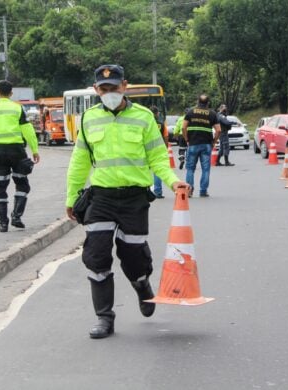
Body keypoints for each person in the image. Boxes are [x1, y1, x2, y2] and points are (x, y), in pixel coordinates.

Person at [65, 64, 188, 339]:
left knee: (133, 256)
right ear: (96, 90)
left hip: (134, 198)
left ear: (125, 86)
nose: (109, 92)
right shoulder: (88, 118)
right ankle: (104, 318)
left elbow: (158, 157)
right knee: (96, 256)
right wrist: (72, 196)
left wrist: (172, 181)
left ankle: (141, 284)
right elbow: (80, 161)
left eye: (114, 87)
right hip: (102, 197)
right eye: (103, 88)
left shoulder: (144, 117)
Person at [0, 80, 40, 233]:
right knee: (22, 184)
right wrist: (35, 150)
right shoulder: (18, 108)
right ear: (11, 93)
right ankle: (17, 217)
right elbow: (28, 130)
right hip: (17, 151)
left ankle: (3, 223)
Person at [182, 94, 221, 197]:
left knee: (190, 168)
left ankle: (189, 191)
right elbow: (218, 130)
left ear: (197, 102)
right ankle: (203, 191)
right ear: (208, 103)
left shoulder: (191, 112)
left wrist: (187, 139)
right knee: (205, 169)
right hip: (206, 145)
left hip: (193, 144)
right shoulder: (212, 114)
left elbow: (183, 127)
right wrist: (214, 141)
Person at [150, 105, 169, 199]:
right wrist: (165, 148)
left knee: (143, 171)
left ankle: (145, 192)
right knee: (157, 171)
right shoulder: (161, 124)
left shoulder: (145, 123)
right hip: (158, 150)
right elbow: (166, 137)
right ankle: (158, 192)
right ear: (157, 113)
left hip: (146, 150)